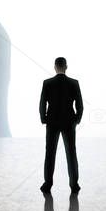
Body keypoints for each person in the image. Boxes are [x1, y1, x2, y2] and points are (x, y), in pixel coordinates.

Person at [39, 57, 83, 195]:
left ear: (55, 67)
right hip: (69, 122)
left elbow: (42, 103)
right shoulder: (74, 83)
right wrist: (77, 119)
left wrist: (44, 118)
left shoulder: (47, 83)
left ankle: (47, 184)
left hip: (52, 122)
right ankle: (74, 185)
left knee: (50, 153)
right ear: (66, 67)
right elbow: (80, 105)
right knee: (71, 153)